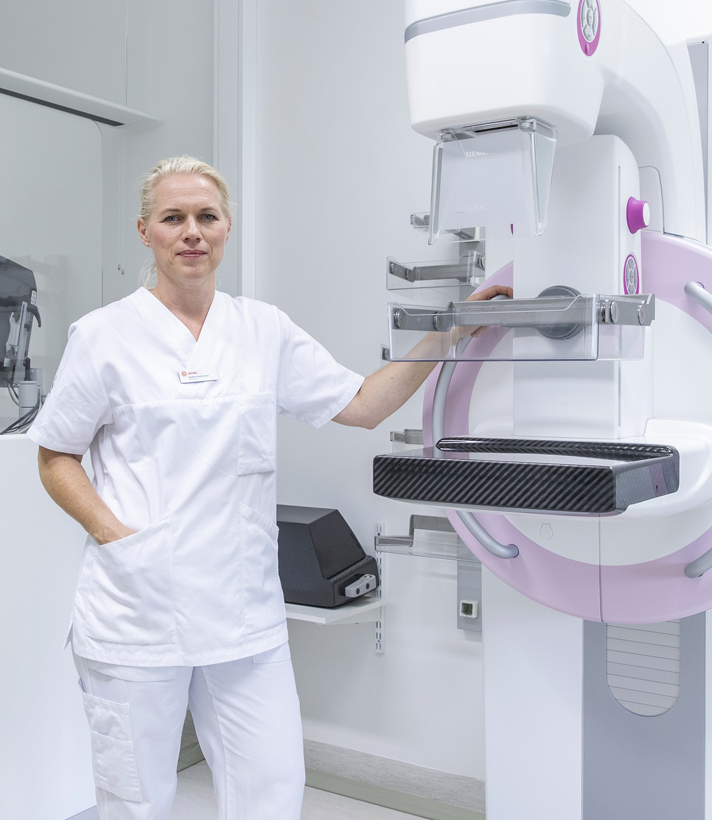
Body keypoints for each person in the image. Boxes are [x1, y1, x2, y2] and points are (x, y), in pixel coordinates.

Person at [28, 156, 509, 820]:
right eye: (174, 218)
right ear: (145, 232)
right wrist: (120, 539)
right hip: (137, 610)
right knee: (134, 803)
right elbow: (56, 457)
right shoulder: (104, 337)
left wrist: (448, 333)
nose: (191, 232)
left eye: (207, 217)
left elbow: (364, 404)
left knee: (272, 795)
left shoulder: (263, 331)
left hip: (243, 614)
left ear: (227, 229)